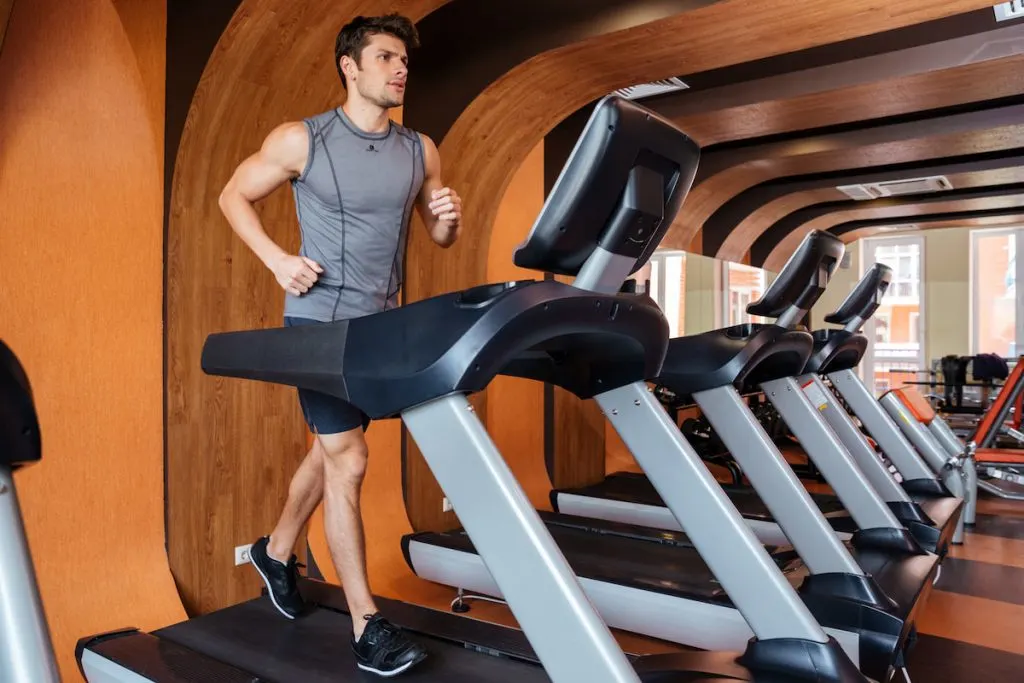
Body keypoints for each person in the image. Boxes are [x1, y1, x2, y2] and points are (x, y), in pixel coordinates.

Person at [217, 13, 461, 678]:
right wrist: (275, 260)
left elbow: (437, 233)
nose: (399, 68)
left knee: (335, 452)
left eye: (403, 58)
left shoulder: (421, 149)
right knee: (348, 462)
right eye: (385, 57)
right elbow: (232, 194)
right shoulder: (304, 139)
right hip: (319, 326)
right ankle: (366, 625)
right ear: (350, 67)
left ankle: (275, 549)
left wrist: (446, 222)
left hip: (384, 326)